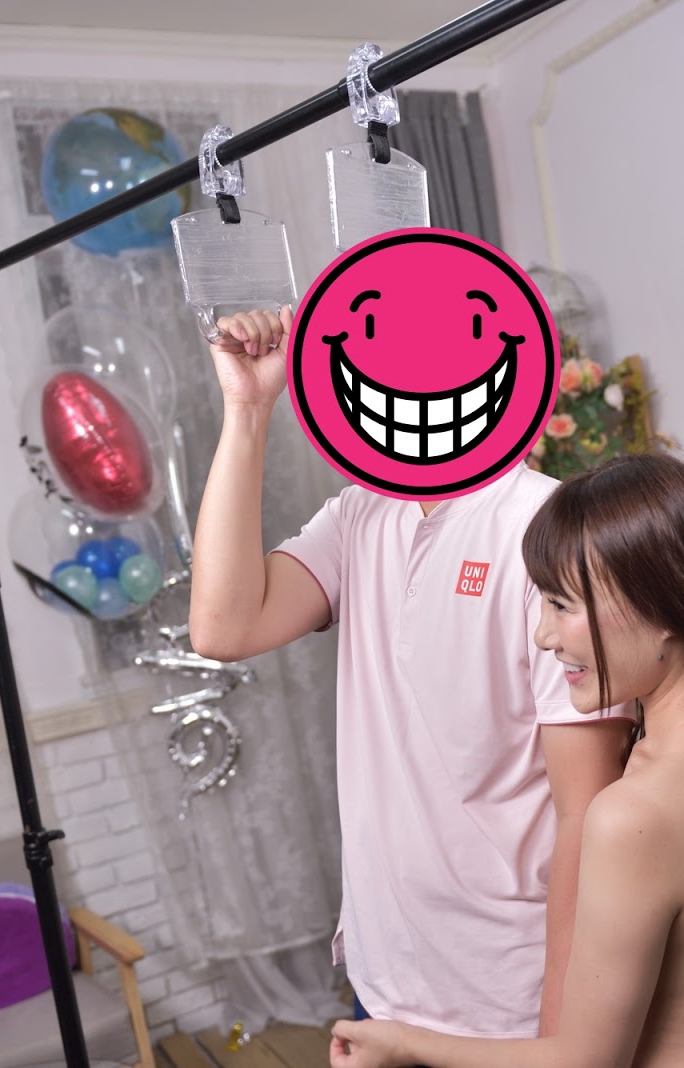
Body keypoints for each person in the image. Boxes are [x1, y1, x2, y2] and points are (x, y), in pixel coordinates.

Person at [186, 306, 634, 1040]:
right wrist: (247, 410)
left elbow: (586, 812)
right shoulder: (356, 516)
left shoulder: (550, 526)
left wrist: (561, 1027)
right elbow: (222, 628)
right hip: (382, 975)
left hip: (510, 995)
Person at [328, 451, 684, 1068]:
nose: (542, 636)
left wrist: (403, 1042)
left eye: (561, 606)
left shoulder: (632, 816)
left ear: (662, 607)